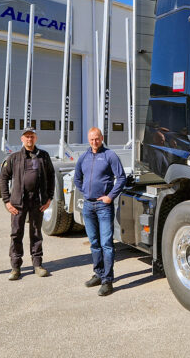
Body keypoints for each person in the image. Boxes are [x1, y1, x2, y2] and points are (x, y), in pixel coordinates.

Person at [74, 127, 125, 296]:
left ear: (102, 138)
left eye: (97, 139)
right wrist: (86, 193)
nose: (94, 142)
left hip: (104, 207)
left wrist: (110, 196)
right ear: (88, 140)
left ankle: (107, 281)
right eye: (91, 139)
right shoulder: (84, 157)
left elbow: (121, 178)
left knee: (106, 244)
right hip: (88, 206)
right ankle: (98, 274)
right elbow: (77, 178)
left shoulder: (110, 155)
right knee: (94, 243)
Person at [0, 127, 55, 280]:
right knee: (16, 234)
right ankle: (15, 267)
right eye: (27, 136)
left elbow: (51, 176)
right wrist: (6, 201)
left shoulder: (43, 156)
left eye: (32, 136)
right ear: (22, 139)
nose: (29, 139)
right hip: (18, 203)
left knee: (36, 233)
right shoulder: (14, 158)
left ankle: (37, 265)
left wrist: (49, 198)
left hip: (37, 201)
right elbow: (3, 178)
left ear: (35, 138)